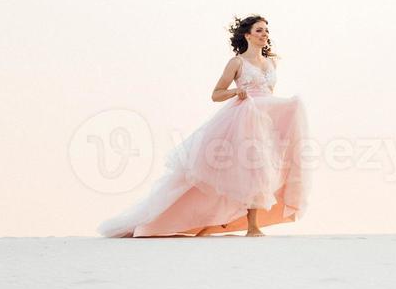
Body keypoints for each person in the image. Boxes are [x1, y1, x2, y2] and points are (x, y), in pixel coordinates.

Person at [99, 15, 310, 238]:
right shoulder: (237, 62)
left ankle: (228, 222)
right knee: (251, 171)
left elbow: (269, 95)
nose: (265, 34)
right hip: (242, 119)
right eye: (259, 30)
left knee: (264, 170)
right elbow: (216, 94)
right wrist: (235, 92)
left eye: (266, 30)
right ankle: (251, 227)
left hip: (263, 120)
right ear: (247, 35)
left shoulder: (271, 63)